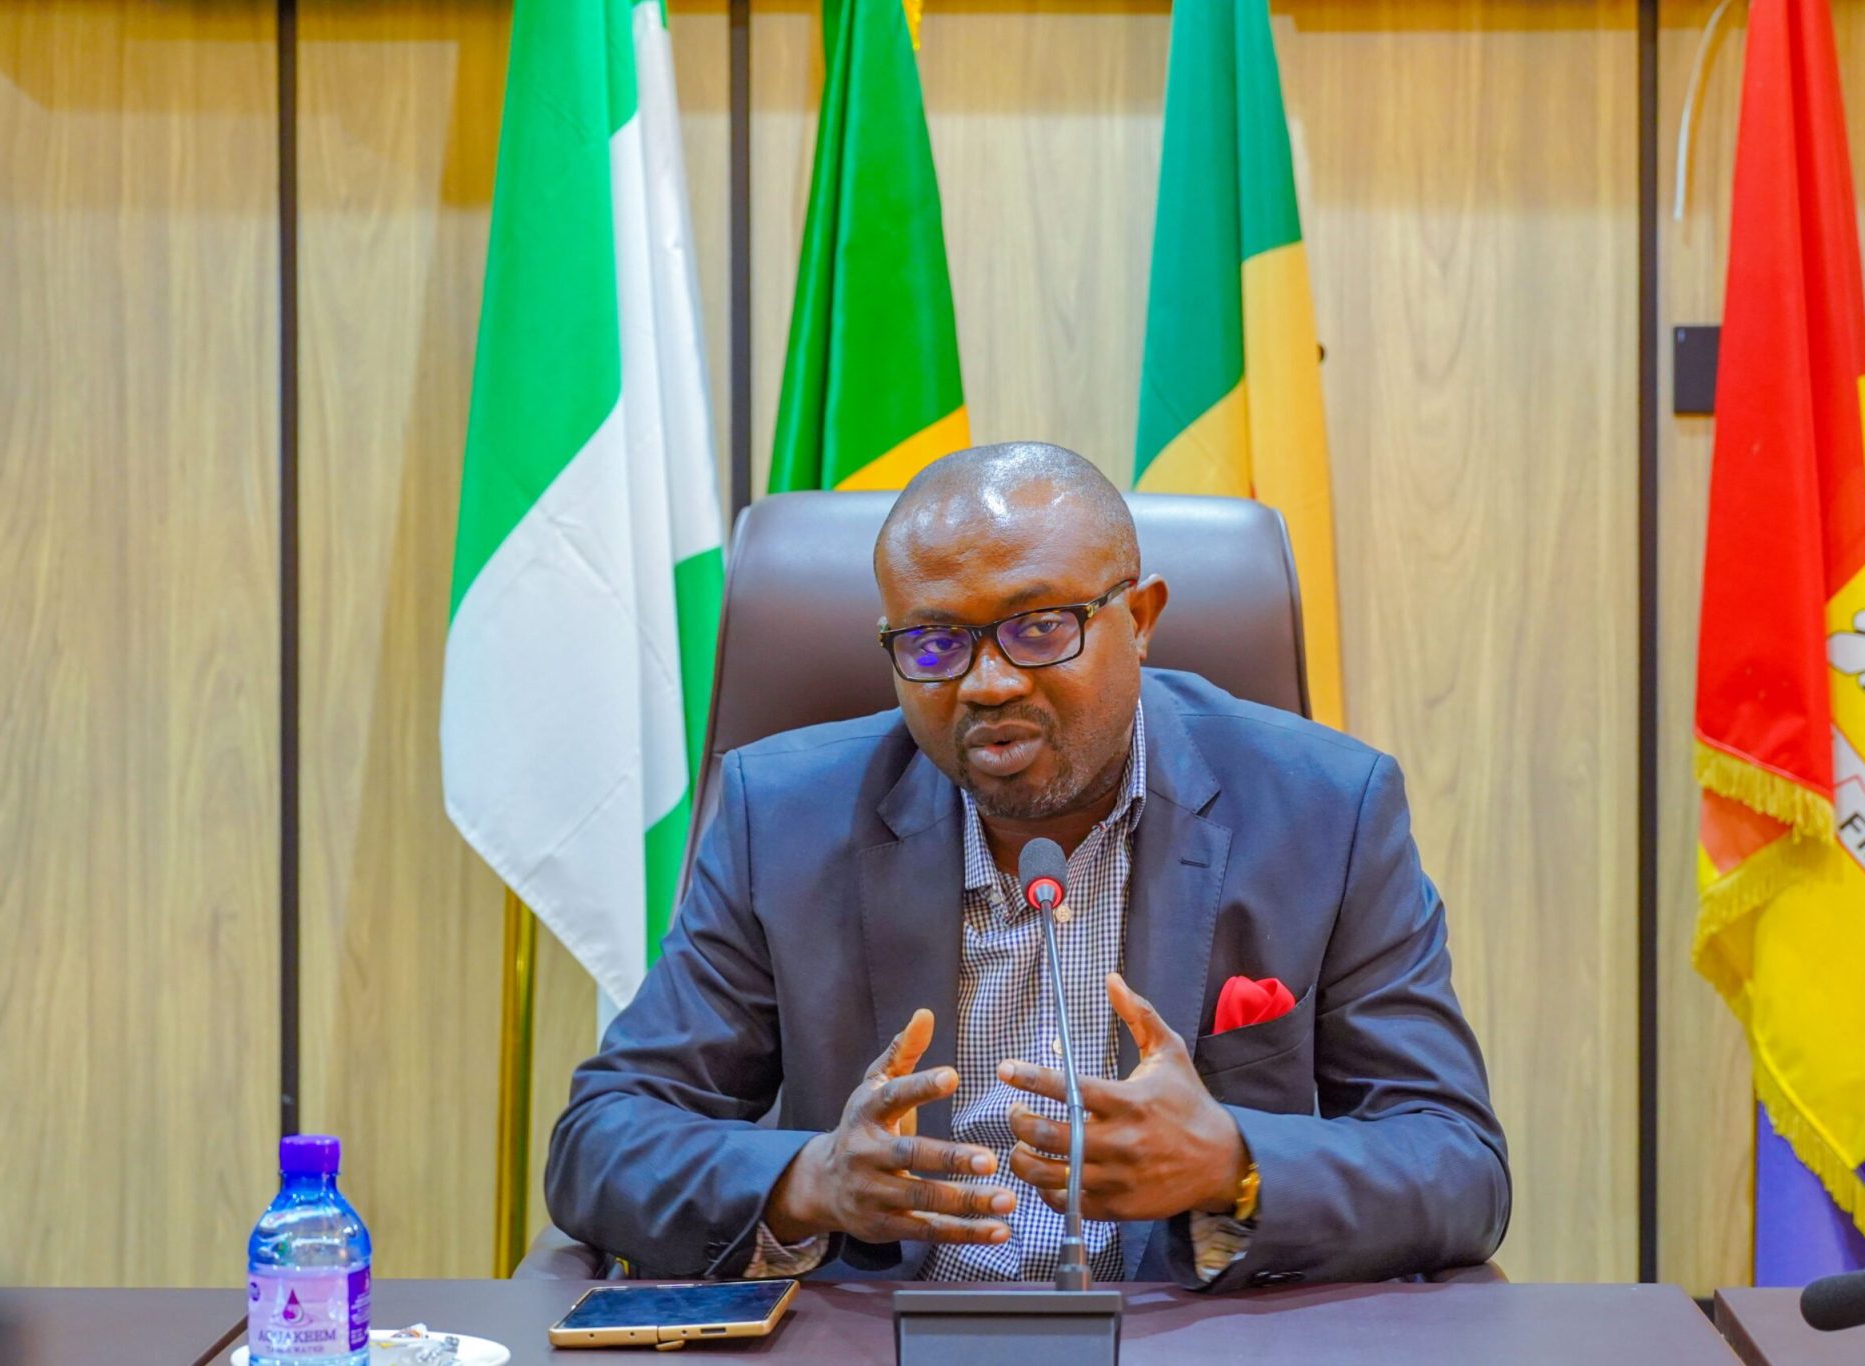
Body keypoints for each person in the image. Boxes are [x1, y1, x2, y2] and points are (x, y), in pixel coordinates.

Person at [546, 443, 1509, 1290]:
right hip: (883, 1335)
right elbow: (603, 1139)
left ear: (1140, 618)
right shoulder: (784, 818)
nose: (989, 682)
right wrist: (812, 1182)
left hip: (1181, 1334)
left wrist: (1231, 1163)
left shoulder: (1326, 810)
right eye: (934, 642)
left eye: (1040, 625)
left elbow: (1458, 1163)